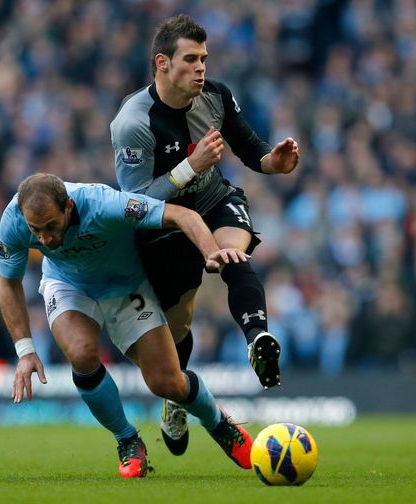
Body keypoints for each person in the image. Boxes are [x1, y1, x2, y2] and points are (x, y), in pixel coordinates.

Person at [110, 14, 300, 456]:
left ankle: (257, 340)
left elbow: (253, 152)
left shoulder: (216, 96)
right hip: (164, 226)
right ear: (162, 63)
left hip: (213, 199)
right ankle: (177, 400)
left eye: (205, 59)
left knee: (235, 254)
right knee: (179, 324)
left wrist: (276, 162)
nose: (201, 68)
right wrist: (188, 168)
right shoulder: (132, 123)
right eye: (191, 59)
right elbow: (135, 204)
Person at [0, 173, 253, 478]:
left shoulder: (106, 204)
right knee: (81, 353)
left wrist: (211, 251)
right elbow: (9, 283)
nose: (46, 240)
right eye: (35, 230)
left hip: (127, 286)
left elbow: (183, 215)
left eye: (51, 226)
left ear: (68, 206)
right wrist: (25, 350)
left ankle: (218, 423)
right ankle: (128, 440)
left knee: (166, 383)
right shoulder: (13, 220)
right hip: (68, 284)